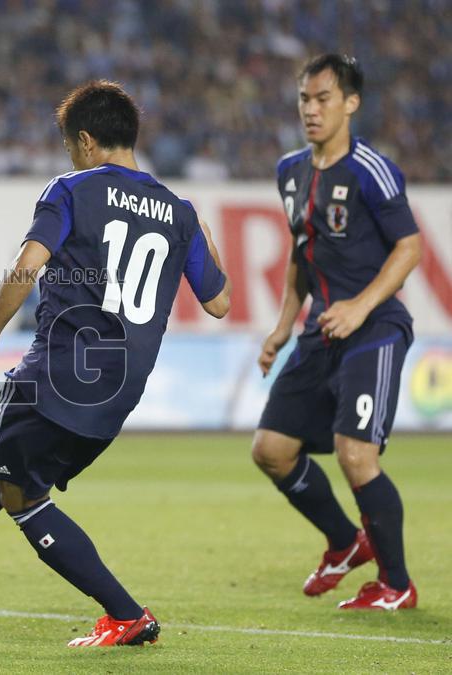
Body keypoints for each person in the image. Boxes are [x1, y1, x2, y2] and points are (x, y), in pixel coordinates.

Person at [0, 80, 230, 647]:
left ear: (85, 141)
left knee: (19, 492)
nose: (70, 156)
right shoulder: (180, 214)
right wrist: (204, 237)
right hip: (120, 390)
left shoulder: (71, 189)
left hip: (59, 372)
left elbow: (26, 268)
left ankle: (127, 615)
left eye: (68, 146)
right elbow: (219, 302)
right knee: (12, 481)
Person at [252, 54, 421, 610]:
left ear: (350, 103)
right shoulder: (290, 171)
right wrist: (281, 328)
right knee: (271, 450)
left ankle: (396, 585)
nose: (311, 109)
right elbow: (301, 254)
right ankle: (347, 542)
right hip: (319, 331)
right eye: (305, 98)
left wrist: (360, 306)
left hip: (374, 329)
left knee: (356, 455)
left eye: (323, 98)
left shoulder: (371, 169)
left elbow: (409, 247)